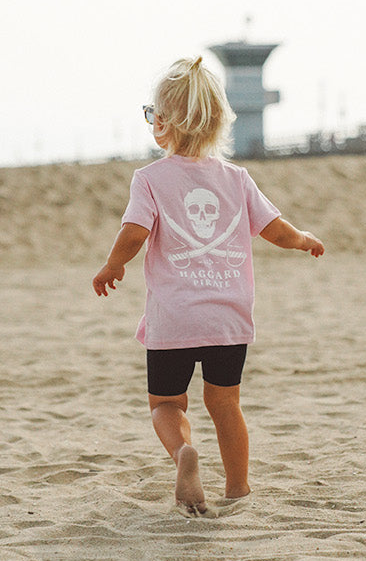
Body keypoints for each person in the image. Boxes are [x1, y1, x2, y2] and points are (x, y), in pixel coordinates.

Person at [92, 55, 324, 516]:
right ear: (219, 123)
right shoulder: (237, 179)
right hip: (228, 317)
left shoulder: (151, 180)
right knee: (225, 403)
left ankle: (184, 455)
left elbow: (135, 231)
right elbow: (276, 230)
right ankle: (238, 487)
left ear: (162, 125)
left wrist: (112, 266)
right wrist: (304, 240)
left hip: (174, 318)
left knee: (166, 403)